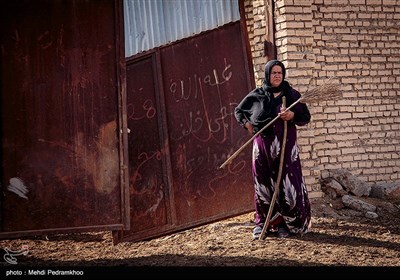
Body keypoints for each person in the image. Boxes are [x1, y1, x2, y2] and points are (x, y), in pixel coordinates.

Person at [234, 59, 312, 239]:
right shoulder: (258, 95)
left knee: (286, 184)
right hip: (262, 148)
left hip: (285, 147)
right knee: (263, 184)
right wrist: (247, 125)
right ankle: (264, 223)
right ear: (268, 75)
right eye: (273, 73)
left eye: (279, 73)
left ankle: (286, 224)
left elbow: (305, 117)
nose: (277, 76)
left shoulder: (291, 95)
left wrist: (291, 115)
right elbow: (239, 111)